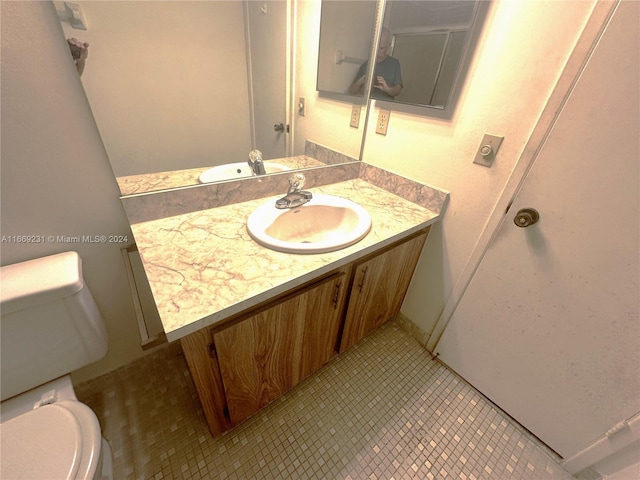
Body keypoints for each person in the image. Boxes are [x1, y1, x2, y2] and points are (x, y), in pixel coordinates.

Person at [349, 27, 402, 100]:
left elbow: (398, 91)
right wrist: (361, 81)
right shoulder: (366, 64)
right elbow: (352, 91)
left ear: (388, 46)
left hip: (385, 107)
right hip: (366, 104)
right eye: (376, 48)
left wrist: (386, 89)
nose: (378, 52)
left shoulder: (394, 64)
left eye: (381, 48)